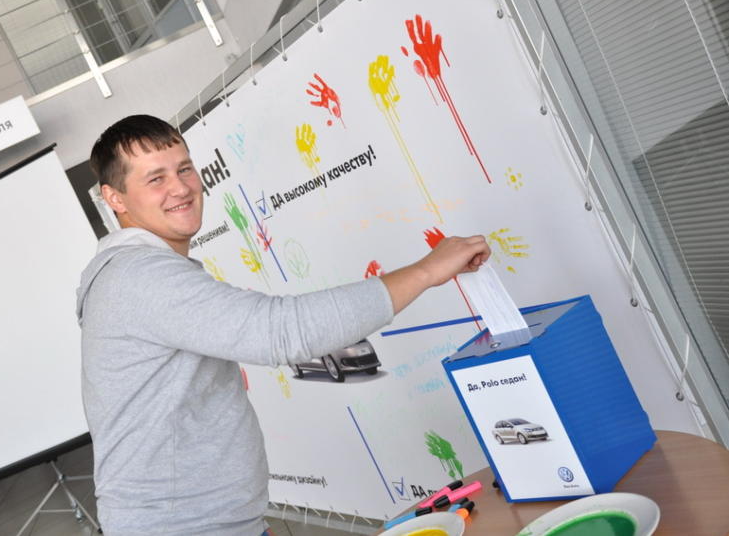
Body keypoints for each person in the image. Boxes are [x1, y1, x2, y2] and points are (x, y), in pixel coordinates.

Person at [76, 114, 490, 535]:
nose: (181, 187)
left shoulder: (141, 271)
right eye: (156, 179)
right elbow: (280, 332)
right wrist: (426, 271)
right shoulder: (139, 276)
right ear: (115, 199)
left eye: (184, 169)